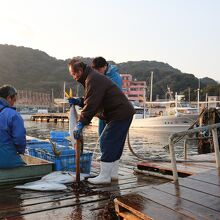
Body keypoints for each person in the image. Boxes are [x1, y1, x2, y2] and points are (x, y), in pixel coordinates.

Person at [68, 59, 135, 184]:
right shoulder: (92, 78)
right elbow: (95, 98)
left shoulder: (92, 79)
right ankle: (113, 174)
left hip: (119, 113)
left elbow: (92, 103)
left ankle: (104, 176)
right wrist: (80, 101)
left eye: (73, 74)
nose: (73, 77)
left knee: (108, 141)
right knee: (116, 144)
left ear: (80, 71)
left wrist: (81, 122)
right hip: (123, 113)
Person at [92, 57, 122, 136]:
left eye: (99, 70)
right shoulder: (101, 76)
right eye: (96, 70)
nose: (98, 72)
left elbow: (113, 97)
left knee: (109, 140)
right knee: (102, 138)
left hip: (112, 114)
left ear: (105, 66)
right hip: (103, 113)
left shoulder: (115, 77)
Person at [0, 85, 26, 168]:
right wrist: (21, 151)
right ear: (8, 98)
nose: (14, 103)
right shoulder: (12, 115)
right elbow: (19, 138)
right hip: (6, 158)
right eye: (14, 100)